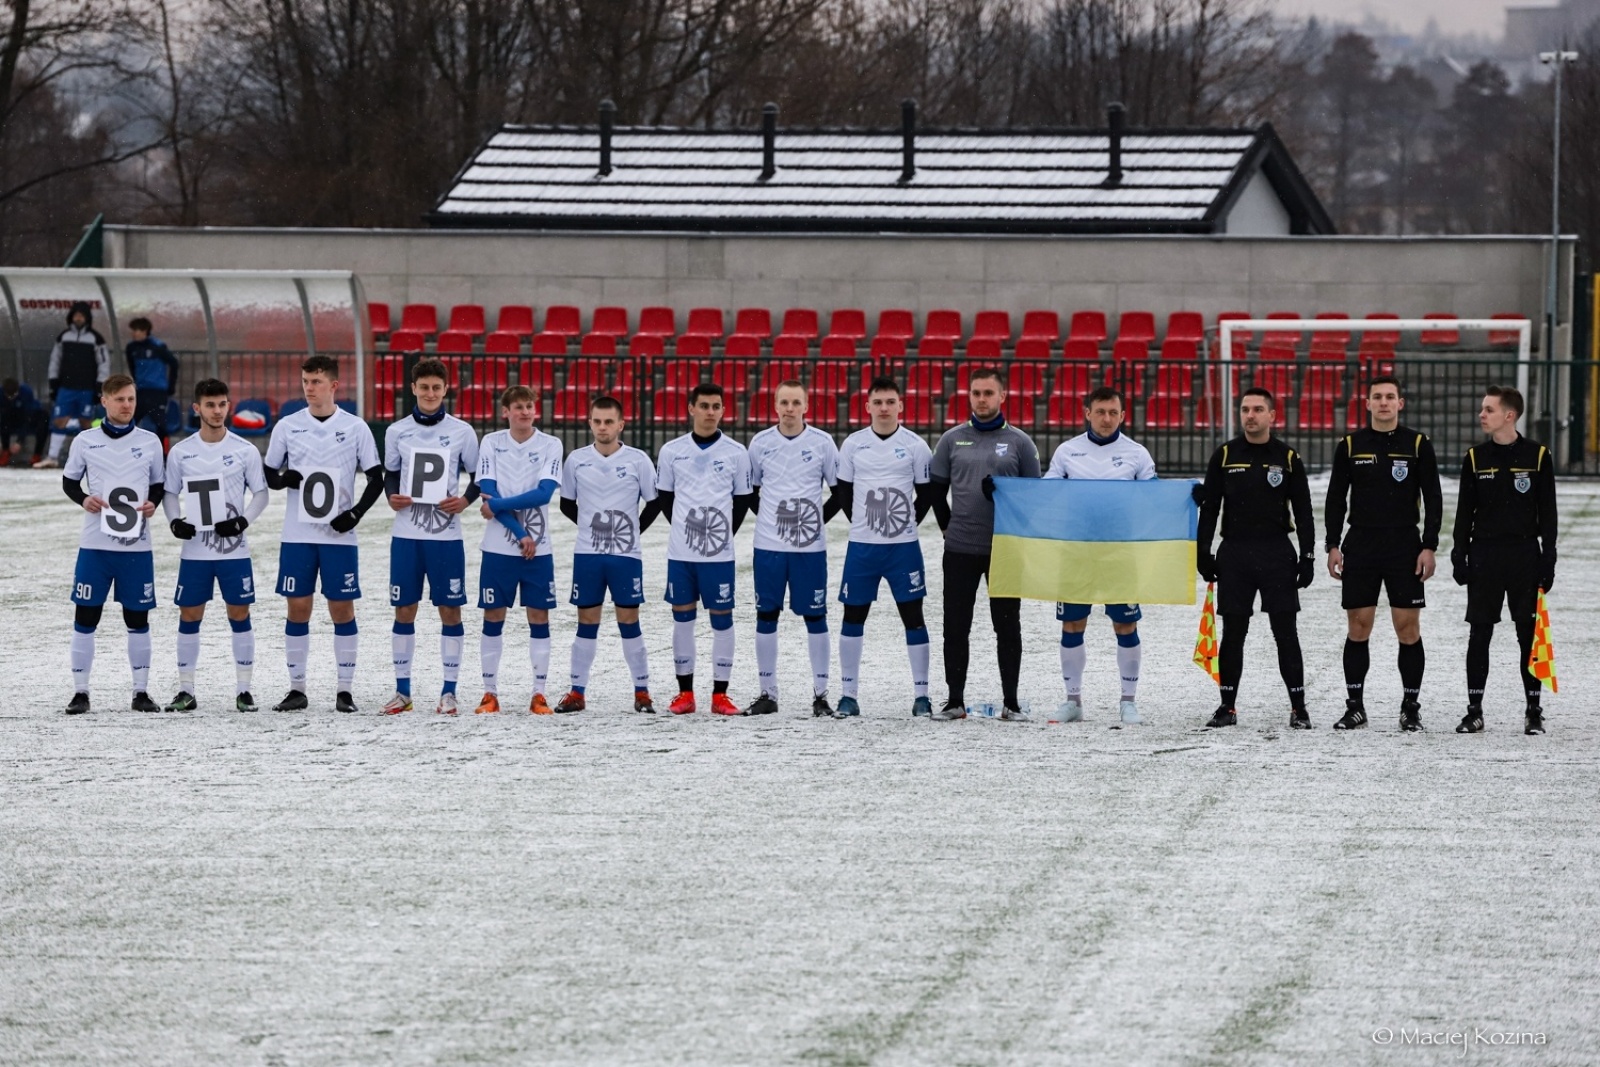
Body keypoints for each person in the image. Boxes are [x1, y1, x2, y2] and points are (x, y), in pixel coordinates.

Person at [263, 355, 384, 713]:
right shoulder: (287, 426)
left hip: (338, 537)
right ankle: (297, 688)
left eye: (316, 382)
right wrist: (285, 479)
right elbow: (270, 474)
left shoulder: (356, 427)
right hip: (297, 535)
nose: (309, 388)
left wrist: (356, 514)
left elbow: (376, 478)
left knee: (341, 609)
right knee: (298, 607)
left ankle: (344, 690)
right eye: (305, 382)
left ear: (334, 385)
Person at [1325, 375, 1441, 732]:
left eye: (1390, 397)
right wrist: (1332, 544)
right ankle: (1355, 706)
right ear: (1368, 403)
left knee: (1407, 628)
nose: (1384, 402)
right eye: (1378, 397)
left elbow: (1434, 499)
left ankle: (1410, 707)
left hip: (1404, 544)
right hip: (1361, 542)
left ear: (1400, 403)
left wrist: (1429, 545)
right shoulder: (1350, 445)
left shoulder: (1418, 444)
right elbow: (1334, 499)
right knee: (1359, 626)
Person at [1194, 388, 1316, 729]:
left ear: (1272, 416)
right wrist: (1203, 552)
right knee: (1234, 632)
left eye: (1258, 409)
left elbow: (1304, 511)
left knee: (1285, 632)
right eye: (1246, 409)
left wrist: (1307, 556)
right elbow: (1210, 506)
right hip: (1235, 553)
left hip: (1277, 551)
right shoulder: (1225, 455)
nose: (1251, 415)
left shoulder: (1288, 457)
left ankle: (1298, 708)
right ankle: (1227, 707)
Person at [929, 367, 1041, 720]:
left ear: (1002, 396)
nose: (982, 399)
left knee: (1007, 625)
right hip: (960, 549)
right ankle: (954, 701)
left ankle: (1011, 702)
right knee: (955, 625)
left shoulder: (1021, 442)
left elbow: (1034, 496)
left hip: (1004, 550)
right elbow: (936, 490)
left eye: (988, 393)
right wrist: (948, 528)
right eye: (976, 393)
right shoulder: (951, 439)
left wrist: (1005, 497)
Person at [1042, 386, 1156, 726]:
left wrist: (1182, 495)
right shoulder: (1067, 452)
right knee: (1073, 623)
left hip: (1119, 553)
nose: (1106, 418)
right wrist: (1007, 492)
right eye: (1100, 411)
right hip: (1076, 551)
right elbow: (1045, 492)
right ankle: (1073, 700)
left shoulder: (1137, 454)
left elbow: (1154, 497)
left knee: (1125, 624)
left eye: (1113, 412)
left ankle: (1128, 701)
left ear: (1123, 416)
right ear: (1087, 413)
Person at [1449, 385, 1557, 735]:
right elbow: (1465, 512)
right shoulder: (1475, 458)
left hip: (1524, 555)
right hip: (1485, 555)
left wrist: (1548, 558)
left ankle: (1533, 710)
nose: (1482, 414)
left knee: (1528, 635)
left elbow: (1550, 515)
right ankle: (1474, 710)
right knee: (1479, 634)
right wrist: (1459, 553)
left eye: (1489, 409)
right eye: (1482, 409)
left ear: (1509, 415)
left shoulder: (1538, 456)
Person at [160, 378, 270, 712]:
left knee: (239, 612)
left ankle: (244, 689)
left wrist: (241, 522)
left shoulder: (244, 449)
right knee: (190, 614)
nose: (218, 411)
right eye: (210, 405)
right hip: (195, 552)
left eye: (222, 404)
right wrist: (175, 521)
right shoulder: (182, 451)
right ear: (197, 409)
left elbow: (261, 494)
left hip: (234, 551)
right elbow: (169, 493)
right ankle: (186, 690)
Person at [58, 374, 165, 714]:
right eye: (119, 399)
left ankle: (141, 692)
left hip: (136, 548)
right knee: (86, 617)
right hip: (96, 546)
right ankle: (80, 692)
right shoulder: (85, 441)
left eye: (131, 399)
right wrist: (84, 499)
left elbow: (158, 486)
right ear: (103, 400)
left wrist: (153, 504)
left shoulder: (150, 441)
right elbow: (69, 481)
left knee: (138, 619)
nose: (126, 405)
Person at [381, 359, 481, 716]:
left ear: (445, 389)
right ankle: (402, 691)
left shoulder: (462, 431)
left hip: (446, 537)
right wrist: (392, 496)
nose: (430, 393)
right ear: (413, 388)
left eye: (436, 388)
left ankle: (449, 692)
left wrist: (465, 502)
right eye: (424, 387)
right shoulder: (397, 432)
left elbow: (479, 476)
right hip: (407, 535)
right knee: (404, 609)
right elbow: (389, 475)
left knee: (449, 610)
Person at [833, 376, 937, 719]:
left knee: (913, 618)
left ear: (900, 406)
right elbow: (844, 494)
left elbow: (926, 495)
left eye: (890, 402)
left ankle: (922, 696)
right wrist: (864, 523)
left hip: (902, 548)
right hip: (862, 547)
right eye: (877, 402)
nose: (884, 408)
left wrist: (904, 523)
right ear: (867, 407)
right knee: (853, 617)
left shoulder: (916, 446)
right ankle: (848, 695)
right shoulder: (852, 445)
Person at [554, 395, 663, 713]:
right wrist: (593, 528)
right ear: (590, 423)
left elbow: (654, 502)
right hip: (588, 554)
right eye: (597, 421)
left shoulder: (638, 460)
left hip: (626, 556)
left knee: (629, 621)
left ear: (620, 424)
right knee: (586, 621)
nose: (603, 427)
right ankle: (577, 693)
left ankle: (642, 693)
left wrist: (631, 531)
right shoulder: (576, 459)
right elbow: (566, 503)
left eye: (609, 421)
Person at [656, 382, 755, 716]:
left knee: (722, 620)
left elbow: (742, 501)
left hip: (719, 556)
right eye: (704, 406)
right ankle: (685, 693)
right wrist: (688, 532)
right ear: (691, 409)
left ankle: (720, 695)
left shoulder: (736, 452)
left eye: (716, 406)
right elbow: (666, 499)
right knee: (682, 620)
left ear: (724, 410)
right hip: (682, 554)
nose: (710, 412)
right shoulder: (672, 451)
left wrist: (720, 535)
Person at [745, 380, 842, 716]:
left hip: (809, 549)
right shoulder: (760, 443)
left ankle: (821, 695)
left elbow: (840, 492)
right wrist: (773, 521)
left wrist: (814, 522)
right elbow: (750, 493)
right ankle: (767, 694)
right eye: (783, 402)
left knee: (815, 616)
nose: (789, 409)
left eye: (795, 402)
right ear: (775, 405)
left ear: (806, 405)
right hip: (769, 547)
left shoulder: (822, 443)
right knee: (766, 615)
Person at [474, 385, 564, 714]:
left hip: (538, 550)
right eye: (518, 407)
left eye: (529, 406)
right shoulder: (492, 443)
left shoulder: (551, 444)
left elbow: (543, 494)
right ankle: (489, 693)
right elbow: (487, 492)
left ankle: (539, 693)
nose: (525, 412)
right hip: (499, 548)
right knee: (493, 616)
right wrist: (518, 531)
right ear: (506, 412)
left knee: (539, 616)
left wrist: (499, 506)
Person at [35, 301, 110, 469]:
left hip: (87, 388)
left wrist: (100, 386)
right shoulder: (63, 337)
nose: (78, 318)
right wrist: (53, 383)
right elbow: (55, 360)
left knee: (85, 422)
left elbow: (103, 363)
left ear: (87, 318)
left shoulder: (96, 339)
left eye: (81, 315)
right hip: (66, 387)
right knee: (59, 420)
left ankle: (89, 459)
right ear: (71, 317)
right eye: (75, 315)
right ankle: (52, 457)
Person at [125, 317, 180, 451]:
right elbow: (132, 366)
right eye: (133, 330)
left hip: (157, 392)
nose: (134, 333)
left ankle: (165, 454)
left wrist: (171, 386)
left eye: (137, 330)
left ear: (145, 331)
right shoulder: (131, 348)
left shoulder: (158, 346)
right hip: (141, 391)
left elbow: (174, 363)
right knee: (129, 422)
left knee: (161, 425)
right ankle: (126, 452)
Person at [1, 377, 48, 467]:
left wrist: (20, 441)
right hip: (10, 418)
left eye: (13, 396)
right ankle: (5, 450)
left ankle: (37, 454)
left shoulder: (26, 393)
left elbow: (28, 418)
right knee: (4, 416)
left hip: (28, 418)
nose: (10, 398)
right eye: (8, 396)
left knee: (43, 419)